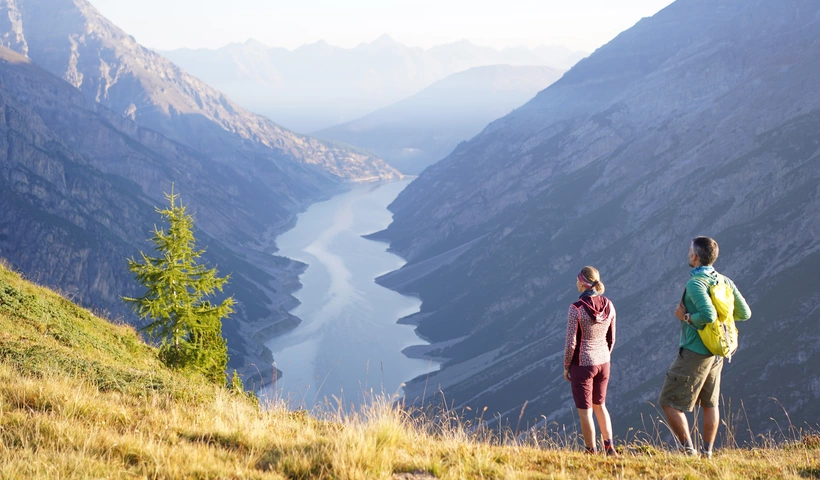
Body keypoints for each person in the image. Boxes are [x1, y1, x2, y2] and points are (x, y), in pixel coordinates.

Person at [659, 236, 751, 458]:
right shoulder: (725, 281)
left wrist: (687, 317)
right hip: (717, 352)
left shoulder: (695, 283)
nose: (688, 253)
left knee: (669, 401)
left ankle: (688, 450)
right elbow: (744, 313)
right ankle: (707, 453)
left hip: (694, 352)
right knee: (710, 403)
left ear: (695, 256)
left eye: (690, 250)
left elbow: (708, 315)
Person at [563, 266, 617, 455]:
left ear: (583, 283)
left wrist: (566, 366)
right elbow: (612, 338)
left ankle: (590, 451)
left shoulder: (576, 309)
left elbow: (571, 342)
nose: (576, 283)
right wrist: (604, 355)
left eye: (578, 280)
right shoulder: (609, 304)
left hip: (583, 364)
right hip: (604, 362)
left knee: (585, 411)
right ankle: (609, 448)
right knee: (600, 406)